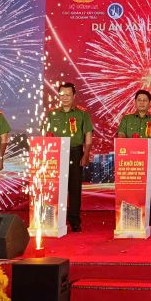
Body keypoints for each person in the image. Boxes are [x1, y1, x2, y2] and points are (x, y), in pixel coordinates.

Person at [43, 83, 93, 232]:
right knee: (55, 187)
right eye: (62, 95)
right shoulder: (52, 114)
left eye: (68, 95)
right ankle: (55, 218)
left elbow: (88, 136)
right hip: (55, 153)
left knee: (74, 188)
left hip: (75, 151)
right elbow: (46, 134)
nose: (65, 98)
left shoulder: (82, 114)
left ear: (74, 96)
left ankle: (75, 221)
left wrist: (86, 154)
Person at [117, 90, 151, 219]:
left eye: (145, 100)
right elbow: (121, 134)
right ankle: (130, 216)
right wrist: (124, 141)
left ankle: (148, 217)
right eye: (139, 100)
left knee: (149, 188)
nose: (142, 103)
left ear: (149, 103)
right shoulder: (126, 119)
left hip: (150, 158)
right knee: (130, 188)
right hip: (130, 160)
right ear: (135, 102)